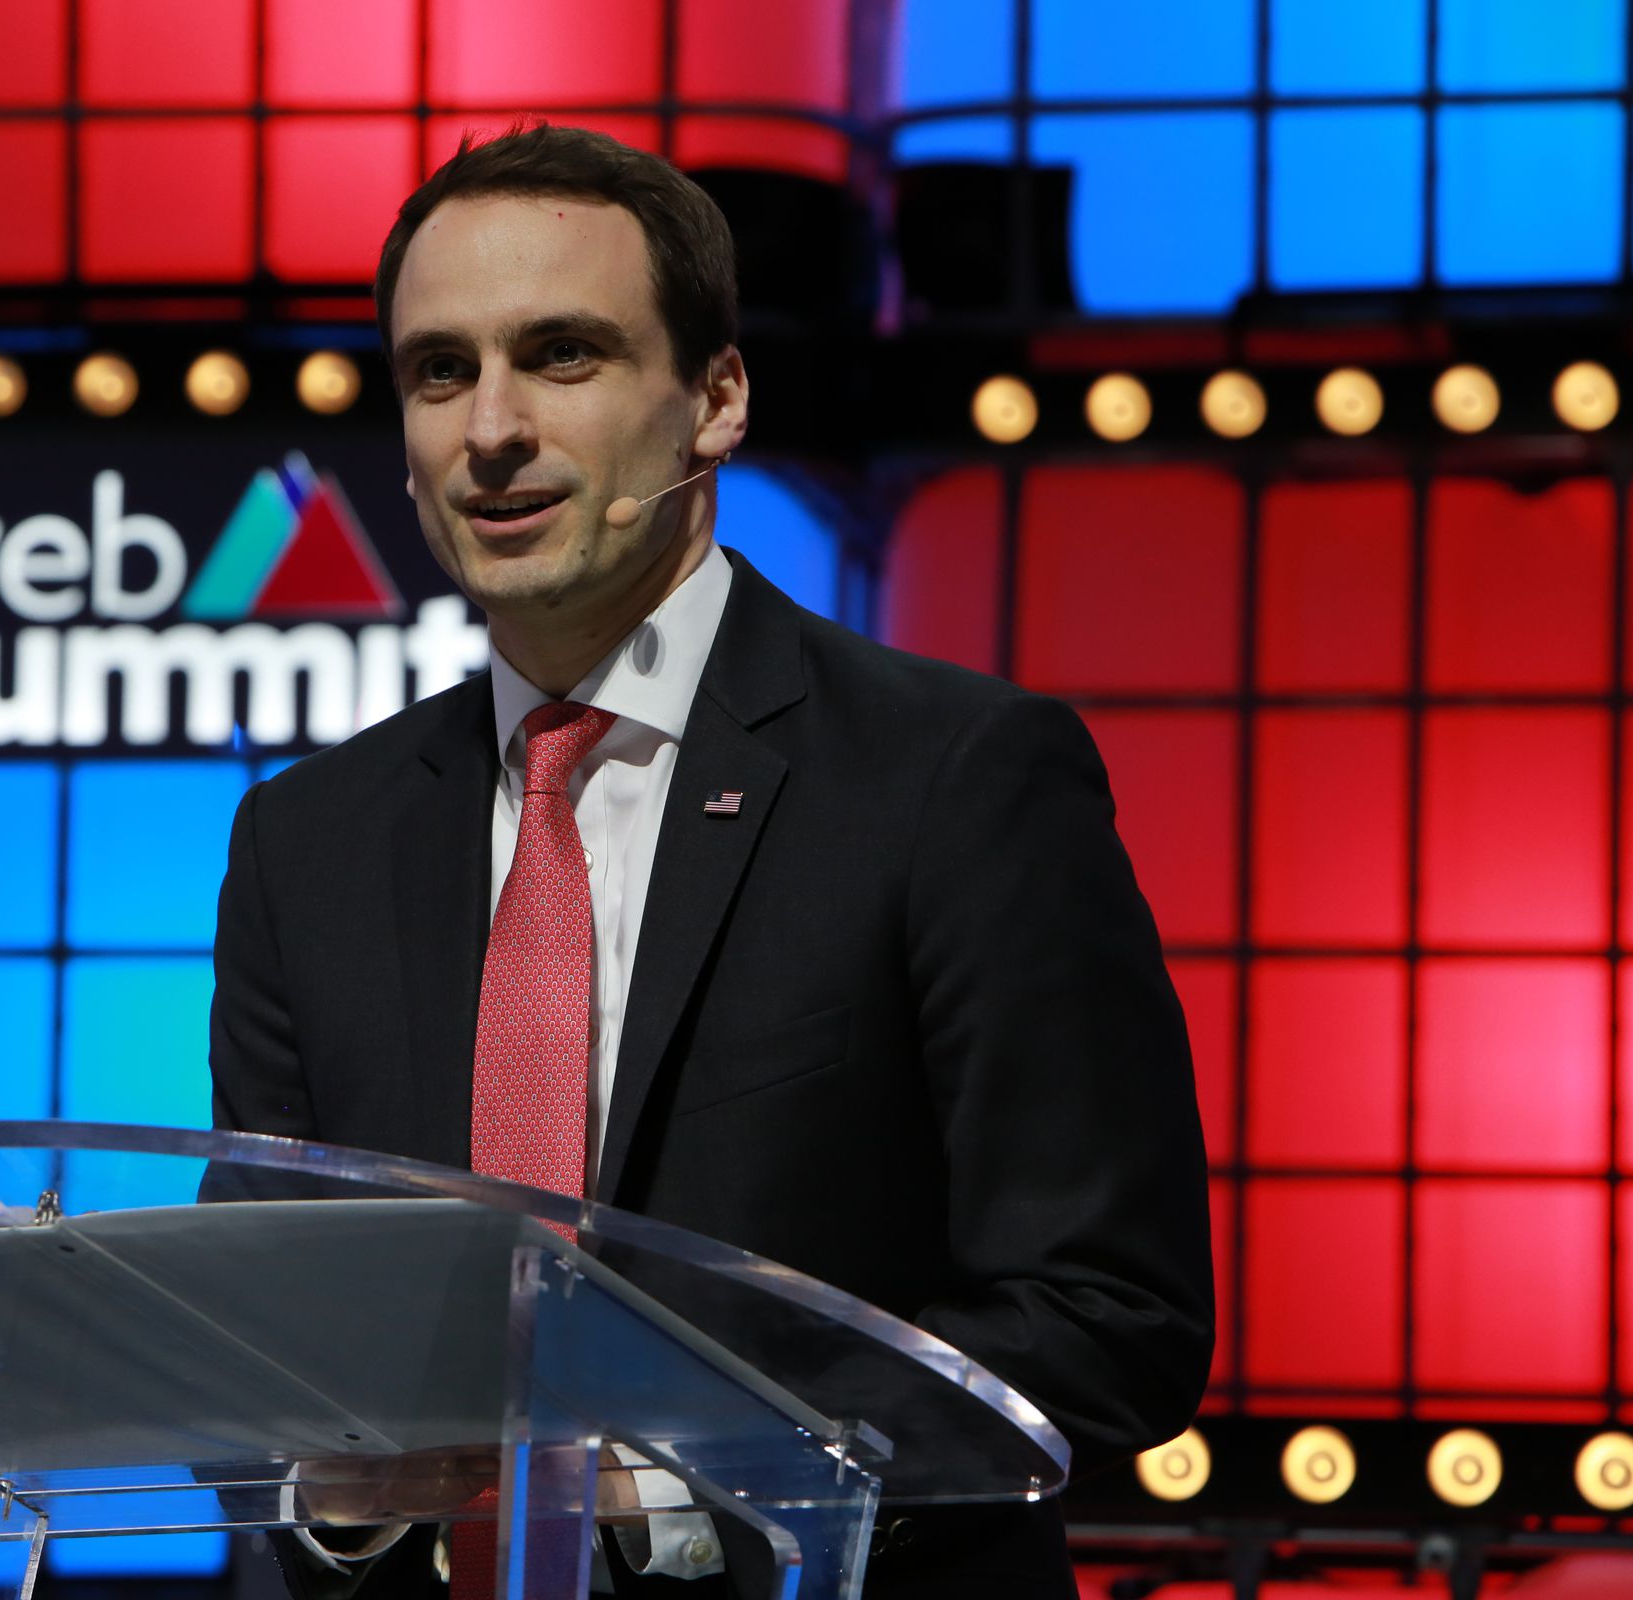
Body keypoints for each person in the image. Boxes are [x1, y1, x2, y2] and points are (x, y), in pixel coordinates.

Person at [209, 124, 1213, 1600]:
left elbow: (1107, 1320)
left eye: (563, 355)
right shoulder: (308, 841)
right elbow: (258, 1349)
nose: (492, 427)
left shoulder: (955, 779)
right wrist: (338, 1493)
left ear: (717, 399)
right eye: (440, 370)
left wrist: (686, 1474)